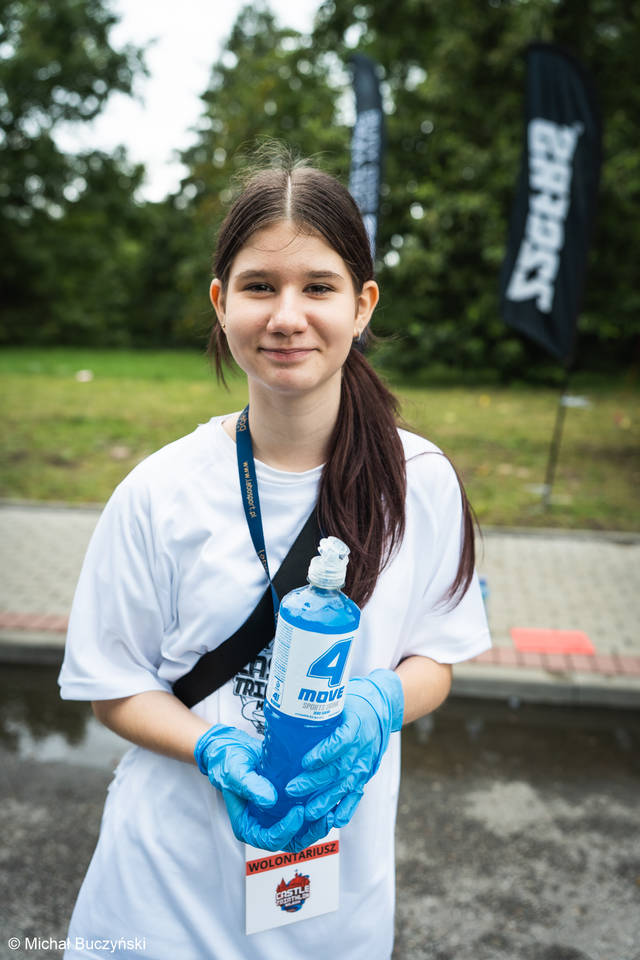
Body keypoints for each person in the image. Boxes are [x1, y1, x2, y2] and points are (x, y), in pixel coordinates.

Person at [58, 152, 491, 960]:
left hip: (335, 907)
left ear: (362, 305)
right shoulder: (160, 491)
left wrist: (377, 707)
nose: (287, 316)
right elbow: (112, 687)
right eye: (260, 286)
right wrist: (212, 748)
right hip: (160, 899)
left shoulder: (420, 483)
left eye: (318, 287)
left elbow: (438, 651)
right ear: (222, 304)